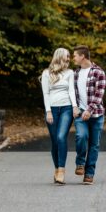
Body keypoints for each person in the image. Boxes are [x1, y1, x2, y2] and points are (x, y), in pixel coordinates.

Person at [41, 47, 78, 184]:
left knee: (61, 137)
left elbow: (71, 91)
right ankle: (56, 169)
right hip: (52, 110)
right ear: (59, 57)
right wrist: (48, 111)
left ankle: (61, 171)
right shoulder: (46, 73)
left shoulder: (70, 73)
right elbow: (45, 93)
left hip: (67, 108)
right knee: (55, 141)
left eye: (69, 56)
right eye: (67, 56)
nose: (69, 59)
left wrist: (74, 106)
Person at [72, 44, 106, 184]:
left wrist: (89, 110)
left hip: (96, 115)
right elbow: (73, 94)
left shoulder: (99, 72)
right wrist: (76, 108)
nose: (73, 58)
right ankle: (80, 163)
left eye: (74, 56)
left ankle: (89, 174)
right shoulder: (75, 73)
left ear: (82, 56)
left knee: (94, 144)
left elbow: (99, 95)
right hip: (80, 114)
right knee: (81, 136)